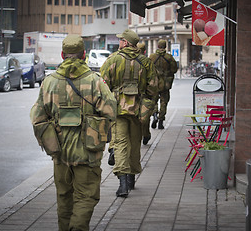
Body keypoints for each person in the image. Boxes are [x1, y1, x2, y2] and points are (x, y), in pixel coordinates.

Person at [30, 34, 117, 231]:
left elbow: (37, 118)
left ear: (62, 55)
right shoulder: (95, 82)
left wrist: (53, 145)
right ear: (84, 55)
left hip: (60, 155)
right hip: (87, 154)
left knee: (64, 200)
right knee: (86, 198)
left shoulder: (49, 82)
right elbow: (111, 112)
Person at [100, 29, 158, 198]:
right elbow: (153, 88)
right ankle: (131, 179)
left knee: (120, 144)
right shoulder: (146, 62)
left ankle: (123, 183)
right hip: (139, 112)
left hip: (118, 111)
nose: (119, 42)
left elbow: (103, 87)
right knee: (134, 144)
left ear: (125, 42)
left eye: (121, 40)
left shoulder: (112, 60)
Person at [149, 39, 178, 129]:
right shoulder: (169, 57)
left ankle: (154, 115)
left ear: (158, 46)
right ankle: (161, 121)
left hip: (154, 84)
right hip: (165, 84)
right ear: (165, 46)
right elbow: (174, 70)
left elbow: (148, 68)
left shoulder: (152, 57)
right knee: (164, 102)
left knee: (154, 101)